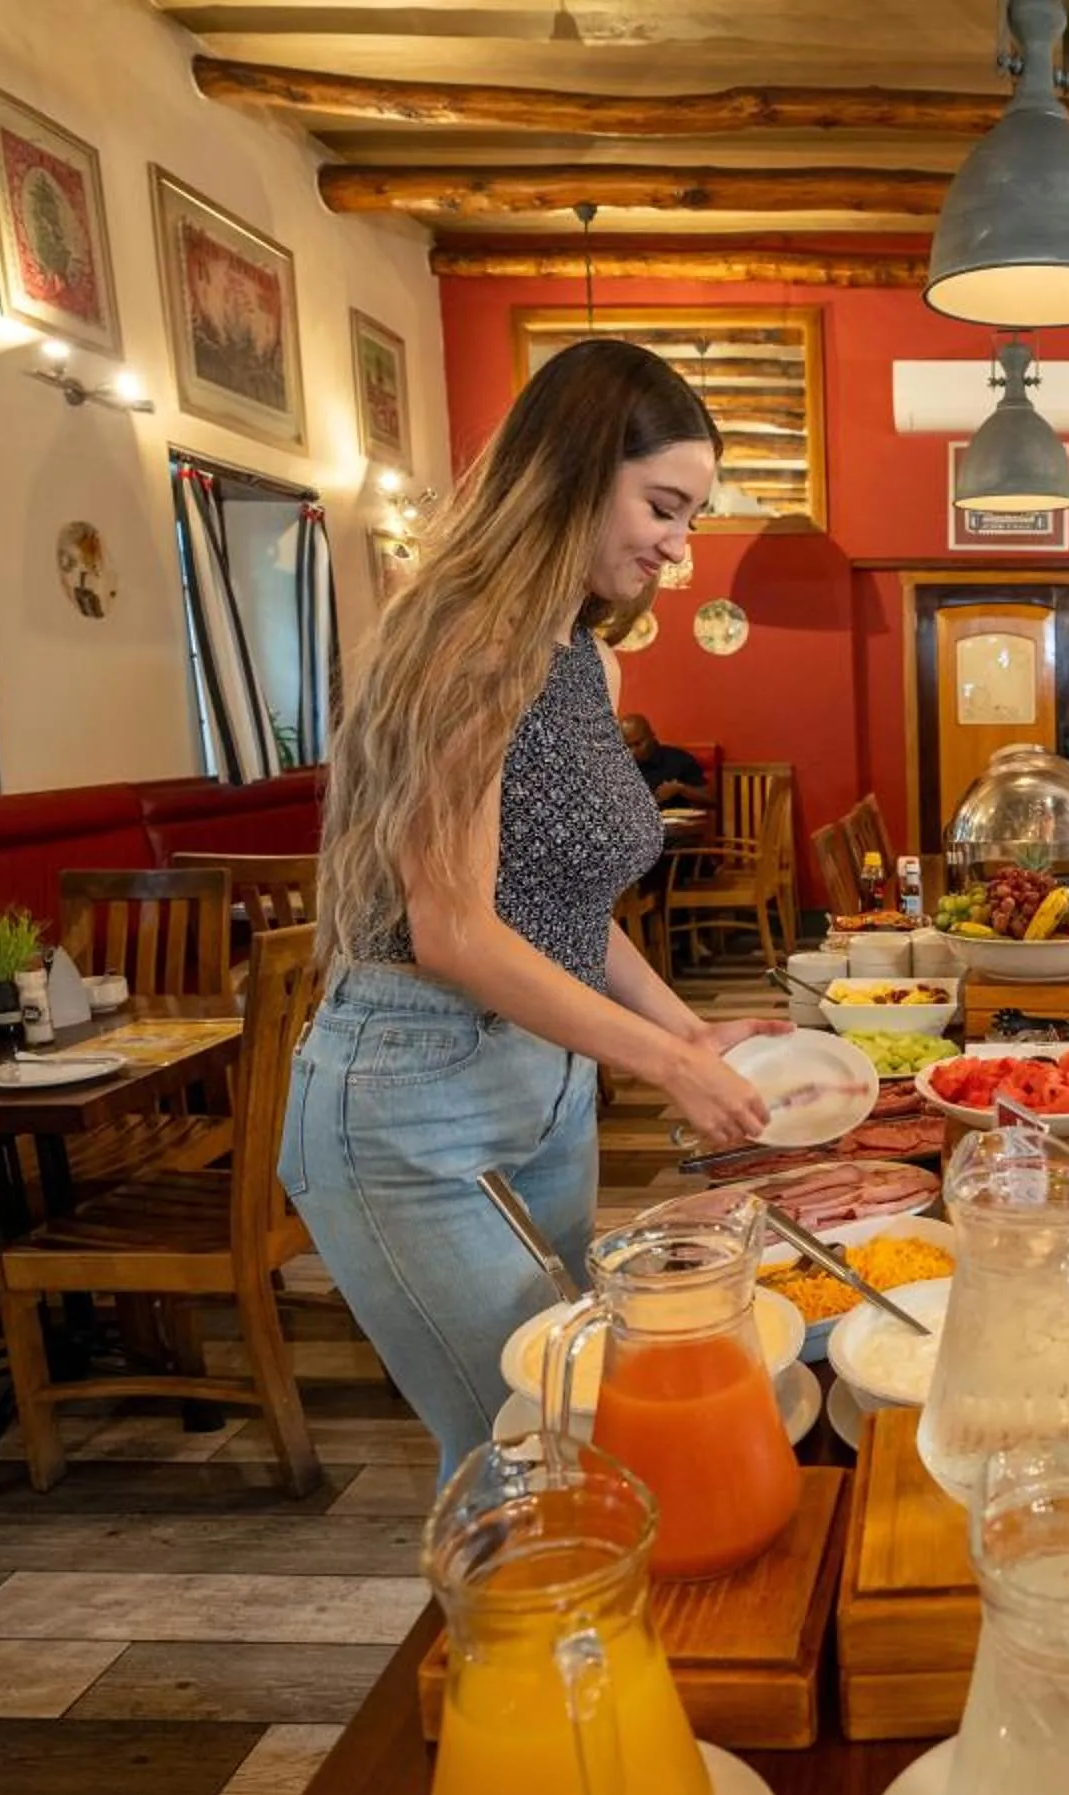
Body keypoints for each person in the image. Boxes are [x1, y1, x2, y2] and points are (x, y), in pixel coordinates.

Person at [289, 339, 784, 1482]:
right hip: (409, 1091)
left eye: (692, 515)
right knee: (520, 1442)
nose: (679, 543)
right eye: (664, 504)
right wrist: (668, 1063)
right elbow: (452, 928)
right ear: (572, 470)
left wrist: (691, 1032)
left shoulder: (584, 660)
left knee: (575, 1414)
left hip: (545, 1076)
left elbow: (560, 909)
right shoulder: (464, 635)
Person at [620, 711, 712, 809]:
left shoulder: (678, 760)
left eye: (638, 744)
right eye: (627, 746)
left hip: (673, 822)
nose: (633, 752)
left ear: (651, 736)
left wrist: (682, 789)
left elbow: (711, 798)